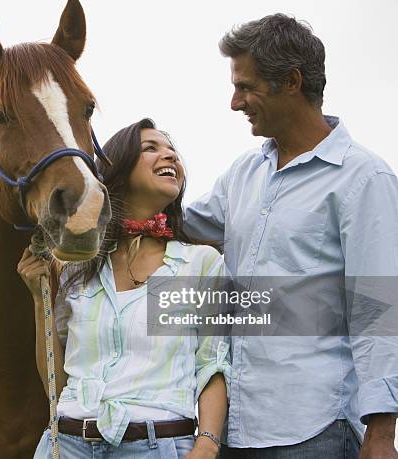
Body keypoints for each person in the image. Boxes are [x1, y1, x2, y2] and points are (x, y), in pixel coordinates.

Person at [184, 13, 398, 459]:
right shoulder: (243, 172)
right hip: (233, 431)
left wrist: (381, 433)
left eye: (245, 86)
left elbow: (379, 310)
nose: (235, 102)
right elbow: (178, 224)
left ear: (292, 81)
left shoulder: (363, 177)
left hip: (313, 429)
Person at [18, 118, 231, 458]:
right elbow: (57, 385)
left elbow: (213, 363)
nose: (170, 156)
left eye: (172, 150)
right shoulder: (76, 268)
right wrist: (37, 298)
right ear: (120, 168)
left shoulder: (200, 264)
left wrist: (207, 443)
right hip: (67, 443)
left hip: (155, 444)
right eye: (152, 148)